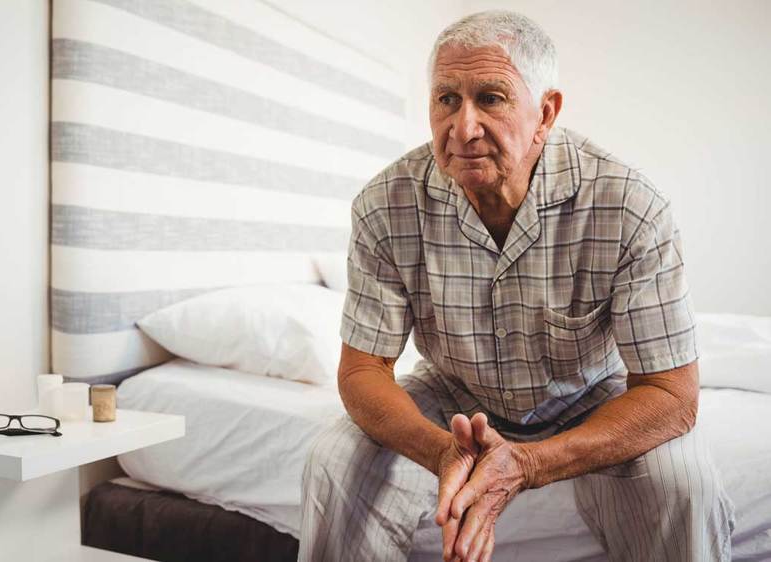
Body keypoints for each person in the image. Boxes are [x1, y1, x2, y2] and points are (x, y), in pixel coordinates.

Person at [298, 10, 735, 562]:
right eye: (446, 99)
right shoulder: (384, 204)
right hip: (453, 392)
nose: (463, 128)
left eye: (492, 98)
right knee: (333, 461)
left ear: (545, 112)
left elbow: (673, 396)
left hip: (591, 394)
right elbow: (363, 369)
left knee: (682, 485)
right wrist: (445, 453)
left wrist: (527, 463)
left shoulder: (629, 205)